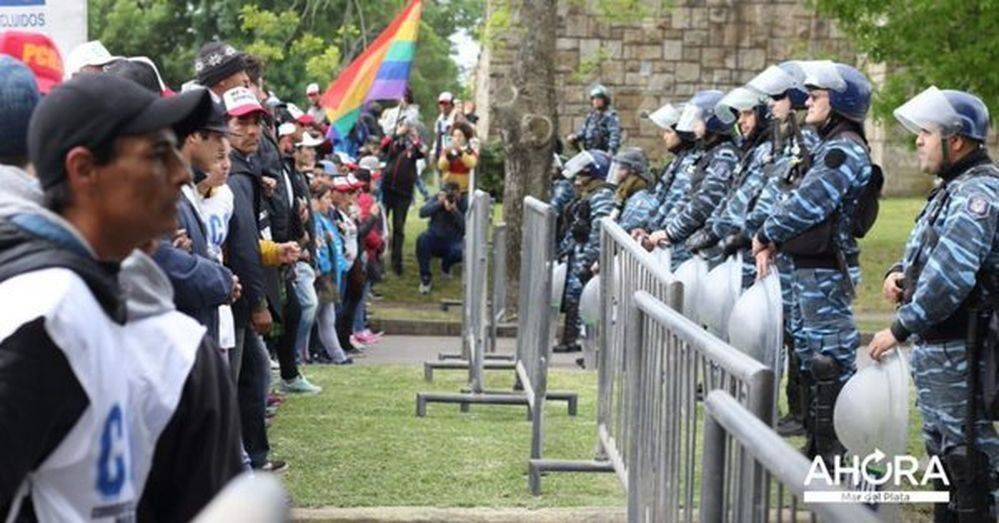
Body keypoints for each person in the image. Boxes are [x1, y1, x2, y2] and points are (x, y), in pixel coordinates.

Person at [0, 73, 243, 521]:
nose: (180, 172)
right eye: (156, 153)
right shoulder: (44, 315)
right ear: (84, 170)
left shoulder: (93, 297)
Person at [868, 87, 998, 520]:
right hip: (943, 351)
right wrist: (897, 272)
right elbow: (927, 254)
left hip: (964, 350)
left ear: (956, 140)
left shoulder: (976, 195)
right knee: (947, 464)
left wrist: (900, 328)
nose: (918, 141)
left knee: (970, 468)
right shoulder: (953, 190)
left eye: (926, 133)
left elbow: (950, 276)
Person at [752, 61, 876, 465]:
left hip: (825, 270)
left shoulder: (843, 150)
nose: (809, 104)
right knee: (810, 354)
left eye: (818, 97)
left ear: (840, 103)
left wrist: (767, 233)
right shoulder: (827, 146)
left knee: (830, 360)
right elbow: (793, 195)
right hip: (809, 267)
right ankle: (820, 444)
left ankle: (838, 451)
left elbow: (808, 203)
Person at [744, 60, 820, 438]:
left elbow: (797, 200)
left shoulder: (811, 141)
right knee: (793, 335)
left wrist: (766, 236)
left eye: (778, 97)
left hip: (810, 259)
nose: (771, 105)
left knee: (808, 341)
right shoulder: (791, 139)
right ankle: (800, 413)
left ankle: (808, 419)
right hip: (786, 251)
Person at [223, 86, 295, 472]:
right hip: (234, 299)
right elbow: (243, 247)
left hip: (238, 295)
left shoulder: (246, 170)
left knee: (252, 373)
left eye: (256, 122)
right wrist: (258, 304)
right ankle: (235, 464)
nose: (251, 131)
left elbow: (251, 241)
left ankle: (253, 457)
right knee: (233, 383)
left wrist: (276, 250)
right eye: (241, 123)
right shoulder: (234, 176)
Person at [647, 90, 739, 268]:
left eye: (699, 118)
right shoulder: (710, 153)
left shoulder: (724, 155)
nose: (694, 123)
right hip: (689, 242)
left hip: (704, 250)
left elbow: (705, 201)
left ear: (712, 120)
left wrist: (671, 232)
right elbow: (689, 196)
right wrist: (665, 229)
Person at [555, 150, 616, 353]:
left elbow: (599, 228)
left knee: (583, 299)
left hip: (587, 255)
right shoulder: (589, 193)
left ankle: (583, 345)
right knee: (573, 297)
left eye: (583, 175)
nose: (579, 180)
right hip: (577, 252)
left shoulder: (602, 195)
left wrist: (590, 259)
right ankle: (570, 340)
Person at [310, 183, 353, 364]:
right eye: (326, 198)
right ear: (316, 200)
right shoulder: (315, 220)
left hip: (331, 273)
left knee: (326, 316)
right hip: (323, 274)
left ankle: (337, 355)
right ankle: (303, 354)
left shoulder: (326, 220)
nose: (329, 202)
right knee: (315, 316)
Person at [380, 117, 427, 275]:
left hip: (404, 193)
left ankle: (397, 262)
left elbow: (422, 152)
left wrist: (414, 137)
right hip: (388, 190)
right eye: (403, 126)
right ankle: (380, 261)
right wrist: (396, 133)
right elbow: (383, 146)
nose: (405, 129)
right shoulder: (393, 143)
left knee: (399, 227)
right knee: (382, 226)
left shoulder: (412, 147)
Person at [416, 183, 467, 294]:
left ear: (459, 193)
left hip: (453, 240)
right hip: (435, 237)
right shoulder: (437, 199)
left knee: (461, 251)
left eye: (455, 194)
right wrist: (438, 203)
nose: (451, 198)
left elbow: (466, 227)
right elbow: (422, 212)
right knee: (422, 239)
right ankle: (425, 278)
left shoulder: (463, 203)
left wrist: (455, 211)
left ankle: (446, 266)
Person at [612, 147, 657, 233]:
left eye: (622, 168)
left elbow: (624, 231)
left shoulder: (640, 199)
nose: (618, 172)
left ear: (633, 171)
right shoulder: (626, 193)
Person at [567, 84, 621, 155]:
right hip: (589, 152)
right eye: (594, 98)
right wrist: (576, 137)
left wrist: (611, 151)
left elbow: (614, 136)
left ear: (605, 100)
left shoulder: (610, 116)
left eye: (599, 98)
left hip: (603, 154)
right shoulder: (591, 116)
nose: (595, 101)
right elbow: (584, 132)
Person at [438, 121, 479, 194]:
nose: (456, 139)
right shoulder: (447, 149)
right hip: (448, 188)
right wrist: (447, 155)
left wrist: (460, 152)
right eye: (454, 136)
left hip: (464, 190)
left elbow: (472, 163)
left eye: (460, 136)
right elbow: (441, 166)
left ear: (466, 137)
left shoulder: (470, 149)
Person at [433, 91, 458, 167]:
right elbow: (437, 137)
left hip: (454, 157)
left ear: (452, 105)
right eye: (441, 103)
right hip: (441, 157)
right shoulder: (439, 120)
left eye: (446, 103)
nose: (443, 106)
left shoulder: (457, 118)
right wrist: (433, 152)